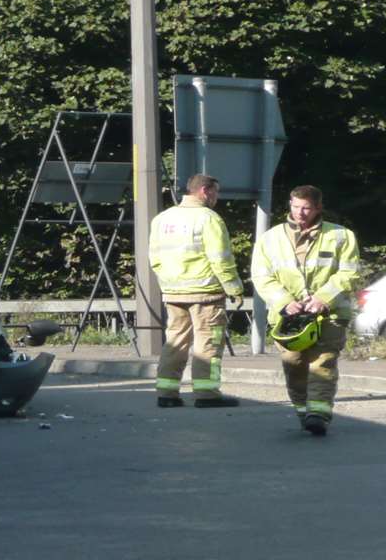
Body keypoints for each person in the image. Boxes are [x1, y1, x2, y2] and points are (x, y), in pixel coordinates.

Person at [250, 185, 363, 436]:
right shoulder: (271, 238)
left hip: (330, 313)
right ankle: (303, 409)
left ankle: (318, 414)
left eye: (306, 208)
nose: (300, 212)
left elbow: (350, 273)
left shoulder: (341, 236)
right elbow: (261, 275)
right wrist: (283, 301)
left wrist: (324, 297)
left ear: (318, 208)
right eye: (295, 206)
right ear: (289, 204)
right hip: (290, 317)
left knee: (323, 362)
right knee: (294, 363)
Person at [148, 173, 246, 409]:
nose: (216, 197)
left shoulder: (162, 219)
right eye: (216, 192)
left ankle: (166, 392)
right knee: (209, 342)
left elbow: (155, 258)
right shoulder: (209, 218)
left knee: (175, 342)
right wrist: (235, 288)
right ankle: (207, 394)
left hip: (173, 292)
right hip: (206, 292)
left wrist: (169, 283)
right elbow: (220, 259)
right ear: (205, 191)